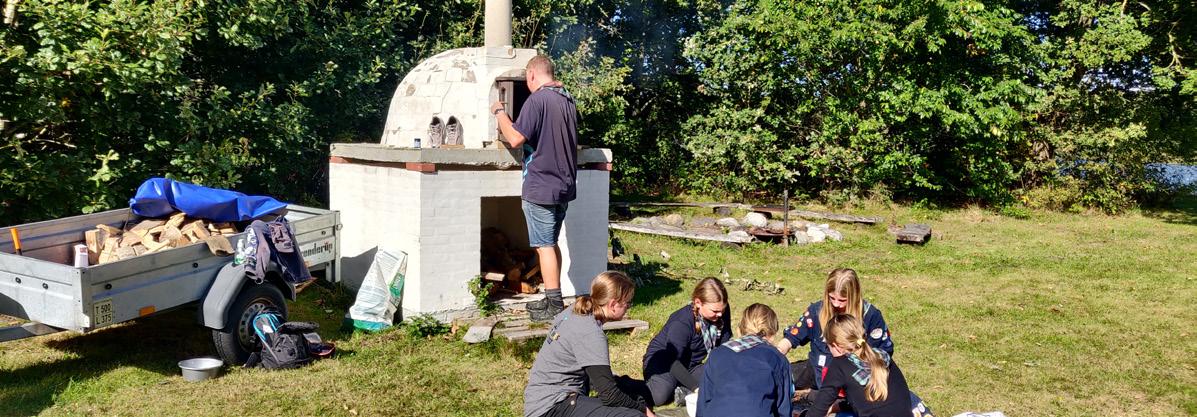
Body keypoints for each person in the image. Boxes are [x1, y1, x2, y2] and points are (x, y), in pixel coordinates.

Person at [491, 55, 579, 322]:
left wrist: (499, 112)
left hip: (541, 183)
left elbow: (515, 138)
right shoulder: (566, 99)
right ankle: (553, 297)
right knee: (550, 243)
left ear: (531, 75)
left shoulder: (537, 100)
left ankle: (554, 305)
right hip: (563, 184)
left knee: (544, 245)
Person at [523, 271, 656, 417]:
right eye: (628, 303)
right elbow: (610, 396)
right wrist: (643, 411)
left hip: (544, 397)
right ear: (613, 304)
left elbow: (598, 379)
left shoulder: (575, 310)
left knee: (635, 393)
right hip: (551, 407)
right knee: (633, 415)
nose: (629, 307)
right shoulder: (591, 333)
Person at [777, 268, 893, 395]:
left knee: (817, 400)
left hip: (849, 381)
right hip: (817, 369)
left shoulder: (870, 316)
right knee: (778, 375)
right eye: (832, 298)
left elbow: (883, 353)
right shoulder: (816, 311)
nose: (836, 304)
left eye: (842, 300)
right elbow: (792, 337)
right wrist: (776, 352)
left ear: (854, 296)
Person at [642, 277, 732, 406]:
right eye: (715, 311)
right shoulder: (682, 322)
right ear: (698, 303)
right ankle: (627, 384)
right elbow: (672, 361)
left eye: (722, 310)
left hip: (691, 365)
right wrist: (696, 387)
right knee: (659, 396)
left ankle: (682, 391)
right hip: (664, 363)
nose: (720, 315)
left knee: (724, 380)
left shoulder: (721, 312)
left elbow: (724, 342)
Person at [804, 314, 915, 417]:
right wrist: (836, 407)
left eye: (828, 347)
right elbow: (874, 402)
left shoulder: (839, 365)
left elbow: (817, 411)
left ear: (836, 346)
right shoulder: (881, 357)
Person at [696, 303, 793, 417]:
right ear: (772, 335)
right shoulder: (777, 358)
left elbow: (703, 402)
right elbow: (783, 408)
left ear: (739, 330)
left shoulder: (717, 354)